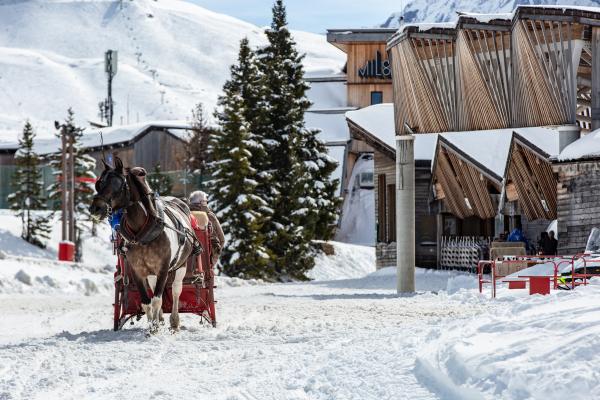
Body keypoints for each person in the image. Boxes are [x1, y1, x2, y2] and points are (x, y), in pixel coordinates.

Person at [189, 191, 225, 265]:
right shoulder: (210, 216)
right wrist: (212, 262)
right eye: (206, 201)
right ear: (202, 202)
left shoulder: (184, 214)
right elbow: (222, 239)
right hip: (206, 260)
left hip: (185, 257)